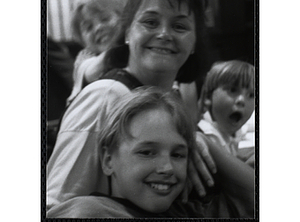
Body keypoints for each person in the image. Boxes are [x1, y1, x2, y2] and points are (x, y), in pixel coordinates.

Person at [47, 0, 216, 210]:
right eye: (150, 22)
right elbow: (58, 203)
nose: (164, 34)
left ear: (194, 43)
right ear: (127, 32)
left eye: (179, 26)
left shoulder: (174, 99)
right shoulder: (106, 95)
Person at [47, 87, 254, 218]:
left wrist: (204, 143)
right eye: (147, 152)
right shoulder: (90, 212)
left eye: (178, 155)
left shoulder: (191, 211)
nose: (167, 168)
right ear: (108, 160)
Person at [66, 0, 123, 105]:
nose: (98, 27)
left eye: (105, 19)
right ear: (82, 40)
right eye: (88, 27)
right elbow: (90, 71)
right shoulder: (86, 56)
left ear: (122, 18)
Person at [198, 60, 255, 157]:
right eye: (233, 90)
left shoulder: (234, 132)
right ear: (208, 97)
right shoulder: (205, 137)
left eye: (251, 95)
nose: (241, 100)